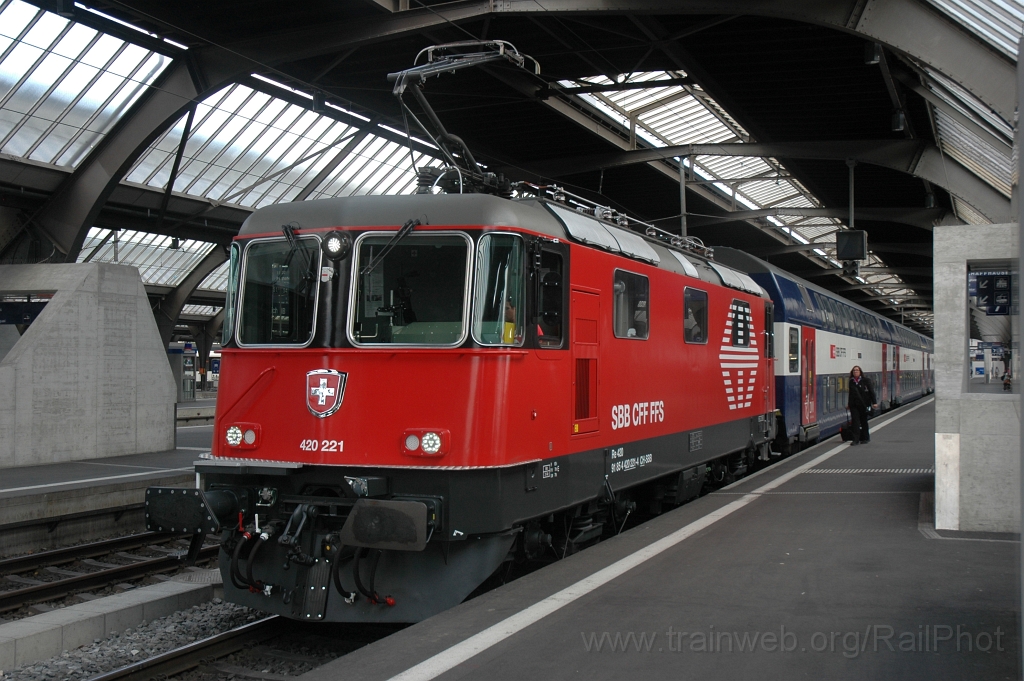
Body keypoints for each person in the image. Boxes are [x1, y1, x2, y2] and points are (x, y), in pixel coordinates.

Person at [848, 365, 878, 446]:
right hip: (854, 405)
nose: (855, 372)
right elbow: (850, 394)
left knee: (863, 421)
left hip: (864, 404)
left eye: (857, 370)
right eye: (854, 370)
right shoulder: (851, 381)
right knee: (855, 422)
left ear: (860, 372)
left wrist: (874, 402)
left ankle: (865, 438)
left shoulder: (866, 380)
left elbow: (871, 392)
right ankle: (855, 440)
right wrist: (849, 404)